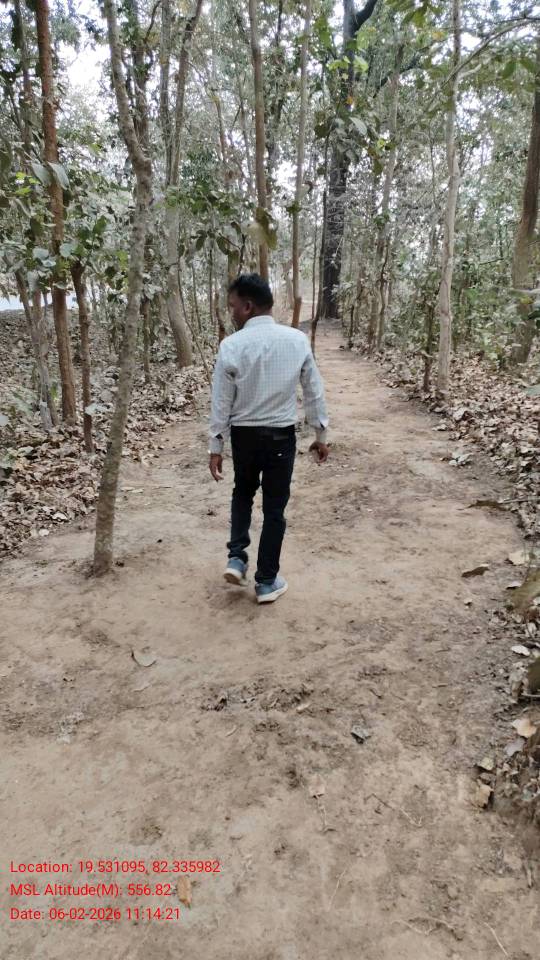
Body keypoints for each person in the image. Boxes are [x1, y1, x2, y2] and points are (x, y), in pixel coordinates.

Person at [208, 273, 329, 604]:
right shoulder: (296, 340)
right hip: (280, 438)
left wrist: (216, 446)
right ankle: (266, 581)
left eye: (233, 306)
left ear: (247, 306)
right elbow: (314, 390)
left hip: (244, 438)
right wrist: (320, 434)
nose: (231, 312)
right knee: (275, 508)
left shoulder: (231, 346)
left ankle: (237, 558)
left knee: (242, 493)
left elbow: (221, 402)